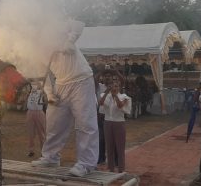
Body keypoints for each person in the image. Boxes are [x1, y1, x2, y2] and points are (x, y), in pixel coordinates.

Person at [32, 20, 99, 177]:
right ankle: (50, 157)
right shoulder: (35, 50)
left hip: (82, 80)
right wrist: (50, 94)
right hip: (61, 84)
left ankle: (86, 164)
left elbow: (79, 23)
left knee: (85, 123)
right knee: (54, 123)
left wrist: (70, 40)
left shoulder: (54, 28)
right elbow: (43, 75)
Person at [99, 70, 130, 173]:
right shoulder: (105, 95)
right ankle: (111, 169)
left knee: (120, 148)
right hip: (107, 122)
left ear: (119, 88)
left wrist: (115, 95)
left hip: (119, 123)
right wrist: (108, 92)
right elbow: (101, 103)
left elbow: (120, 106)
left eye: (116, 86)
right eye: (112, 86)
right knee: (109, 147)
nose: (114, 88)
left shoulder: (124, 97)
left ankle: (121, 169)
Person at [25, 82, 46, 158]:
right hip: (30, 111)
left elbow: (44, 88)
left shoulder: (42, 91)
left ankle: (43, 151)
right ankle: (31, 150)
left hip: (39, 112)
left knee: (41, 133)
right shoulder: (29, 90)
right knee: (31, 133)